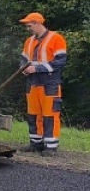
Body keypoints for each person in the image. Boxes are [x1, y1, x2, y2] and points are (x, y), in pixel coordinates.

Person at [18, 12, 67, 157]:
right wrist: (24, 69)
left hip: (49, 84)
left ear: (37, 23)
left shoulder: (56, 38)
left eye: (29, 25)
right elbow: (23, 59)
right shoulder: (29, 41)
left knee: (50, 115)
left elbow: (60, 61)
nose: (28, 28)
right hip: (32, 83)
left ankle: (50, 147)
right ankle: (35, 144)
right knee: (33, 114)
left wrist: (37, 68)